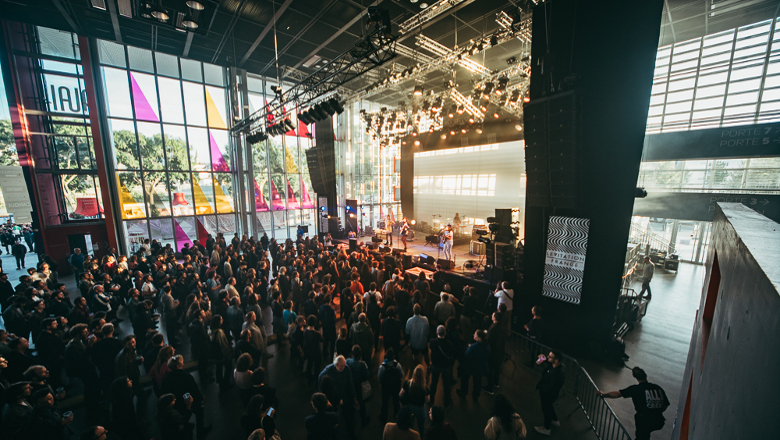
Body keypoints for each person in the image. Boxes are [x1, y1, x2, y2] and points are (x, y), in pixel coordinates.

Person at [597, 367, 669, 440]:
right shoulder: (657, 388)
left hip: (644, 421)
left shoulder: (635, 389)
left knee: (641, 437)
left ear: (634, 376)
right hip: (659, 421)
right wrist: (655, 411)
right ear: (645, 375)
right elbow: (665, 405)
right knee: (645, 435)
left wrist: (603, 394)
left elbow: (617, 394)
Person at [160, 355, 211, 437]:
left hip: (175, 404)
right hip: (187, 402)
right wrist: (201, 398)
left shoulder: (166, 379)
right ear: (179, 365)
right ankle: (200, 430)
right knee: (199, 410)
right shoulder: (187, 376)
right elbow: (194, 391)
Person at [318, 356, 357, 440]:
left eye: (344, 365)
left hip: (344, 397)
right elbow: (320, 377)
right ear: (336, 365)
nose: (343, 367)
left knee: (348, 417)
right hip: (334, 398)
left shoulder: (347, 369)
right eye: (341, 366)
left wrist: (354, 397)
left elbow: (350, 384)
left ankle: (352, 435)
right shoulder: (328, 370)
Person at [534, 350, 566, 436]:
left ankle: (546, 428)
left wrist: (541, 388)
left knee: (546, 410)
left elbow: (551, 386)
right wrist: (541, 357)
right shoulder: (554, 366)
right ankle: (555, 421)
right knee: (549, 406)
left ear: (556, 360)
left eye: (550, 357)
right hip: (548, 393)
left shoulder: (558, 373)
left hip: (548, 394)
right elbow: (545, 363)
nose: (547, 357)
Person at [457, 329, 490, 401]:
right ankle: (476, 395)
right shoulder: (486, 345)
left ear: (479, 338)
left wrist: (469, 347)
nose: (473, 335)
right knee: (477, 381)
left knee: (465, 378)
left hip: (471, 366)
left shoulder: (474, 347)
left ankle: (464, 392)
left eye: (475, 334)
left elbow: (466, 356)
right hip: (481, 367)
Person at [428, 325, 454, 407]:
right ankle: (447, 402)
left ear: (436, 333)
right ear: (445, 333)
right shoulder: (449, 344)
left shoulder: (433, 342)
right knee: (446, 384)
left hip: (435, 366)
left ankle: (431, 400)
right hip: (446, 366)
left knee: (434, 383)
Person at [400, 365, 429, 437]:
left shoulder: (407, 383)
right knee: (422, 428)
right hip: (420, 408)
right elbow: (428, 400)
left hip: (410, 407)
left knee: (409, 427)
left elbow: (400, 394)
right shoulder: (425, 388)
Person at [378, 348, 404, 424]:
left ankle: (384, 417)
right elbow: (402, 375)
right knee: (396, 401)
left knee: (385, 402)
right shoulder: (397, 365)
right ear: (394, 356)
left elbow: (379, 378)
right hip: (396, 386)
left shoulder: (382, 366)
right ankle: (397, 415)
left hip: (386, 387)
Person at [405, 304, 430, 368]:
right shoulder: (425, 319)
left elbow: (407, 332)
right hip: (423, 342)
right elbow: (427, 331)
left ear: (413, 310)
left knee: (415, 356)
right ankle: (428, 366)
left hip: (414, 342)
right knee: (426, 355)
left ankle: (417, 368)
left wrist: (408, 342)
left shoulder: (409, 320)